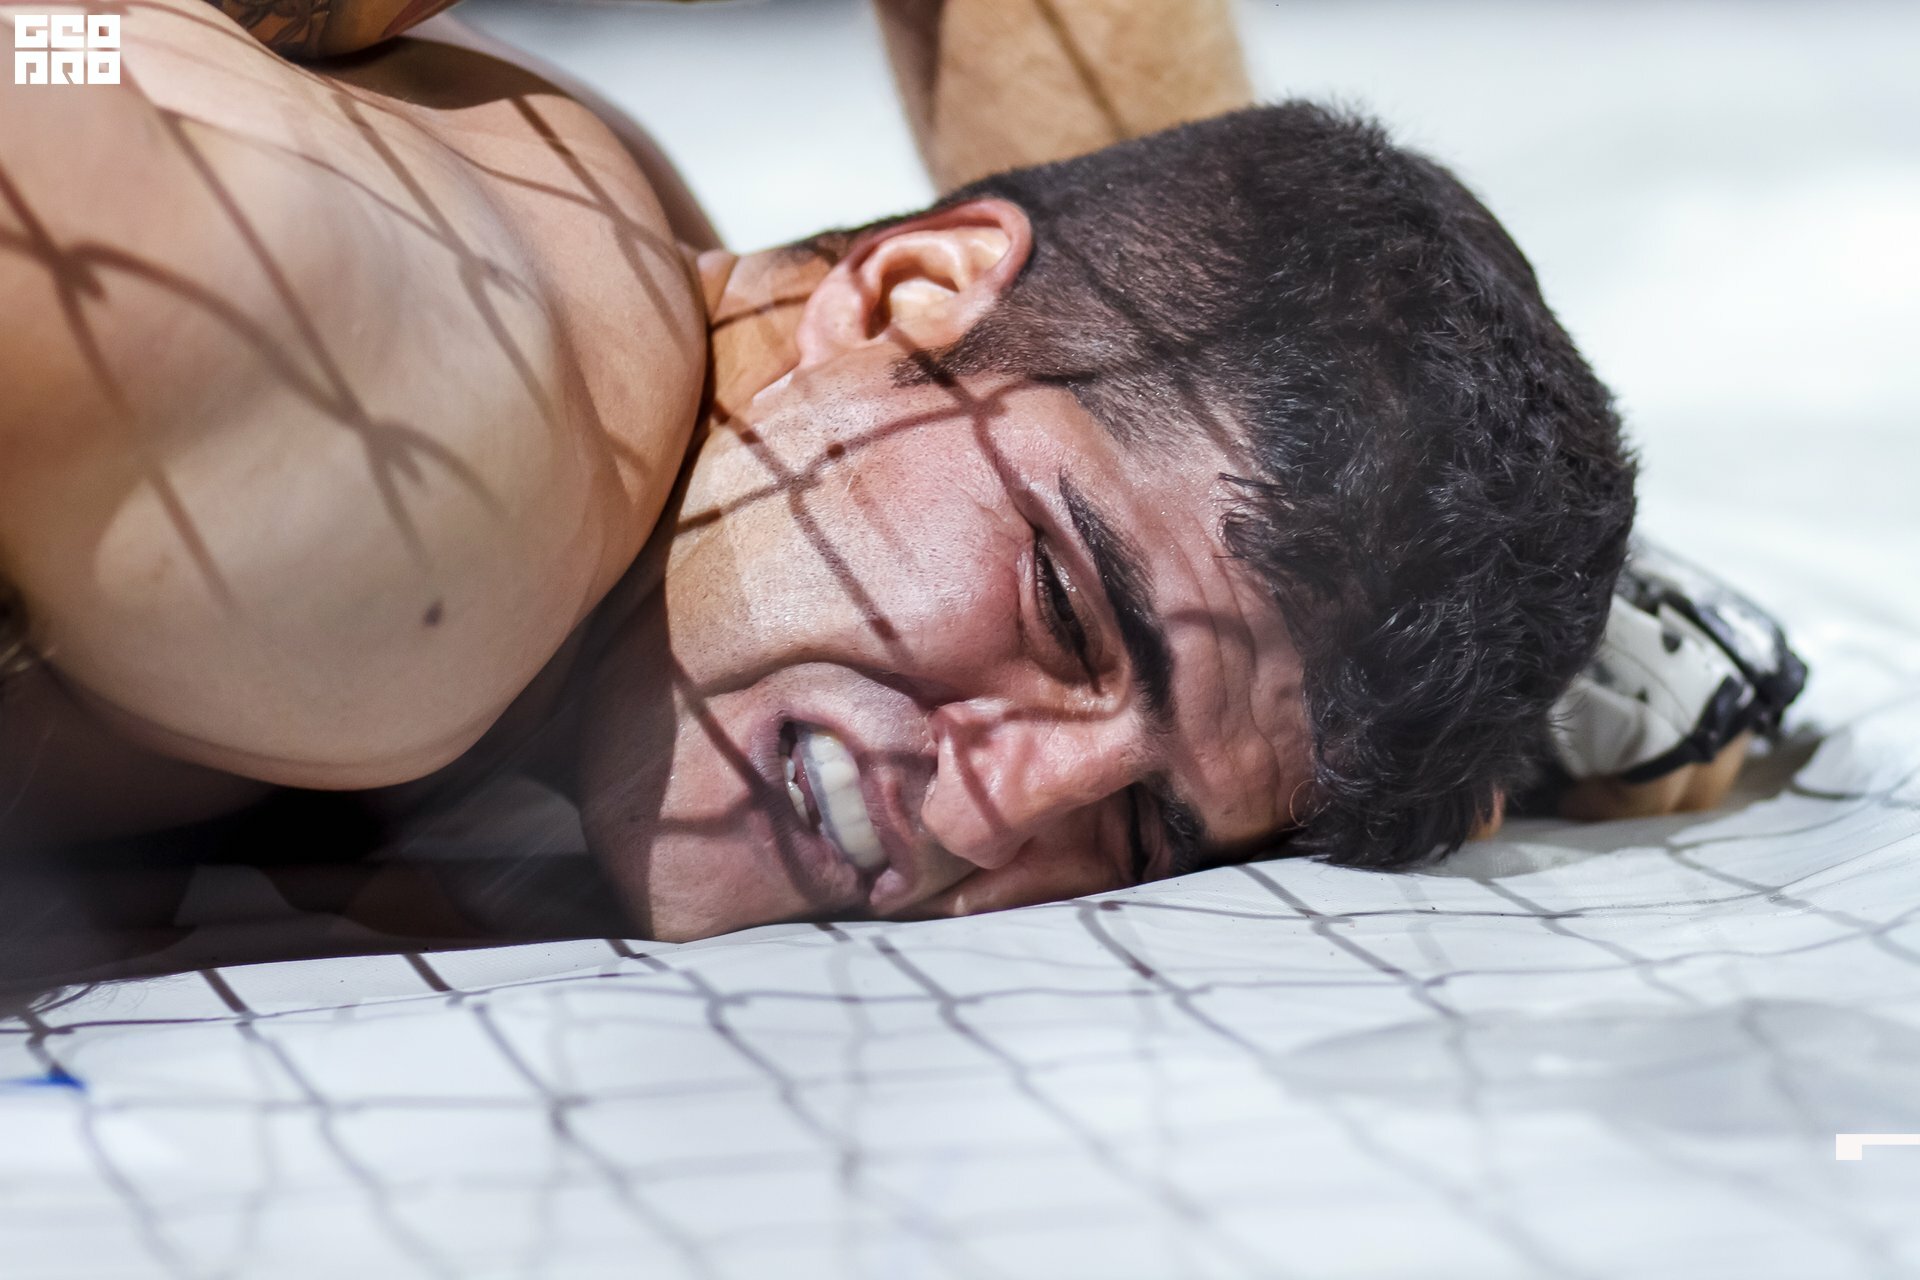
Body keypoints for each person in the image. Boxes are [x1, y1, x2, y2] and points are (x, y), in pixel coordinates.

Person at [1, 0, 1692, 959]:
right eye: (1062, 607)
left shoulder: (687, 385)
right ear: (902, 293)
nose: (991, 814)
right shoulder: (432, 472)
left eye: (1134, 827)